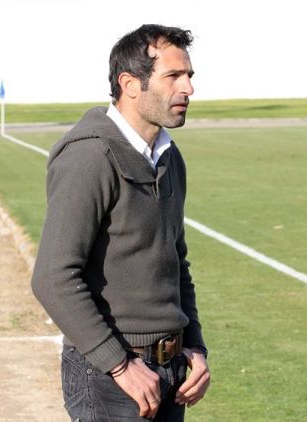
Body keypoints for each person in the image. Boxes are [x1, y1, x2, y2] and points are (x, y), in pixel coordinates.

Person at [31, 24, 210, 421]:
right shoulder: (90, 157)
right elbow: (53, 277)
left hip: (172, 371)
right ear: (130, 84)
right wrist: (119, 365)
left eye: (189, 75)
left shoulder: (168, 157)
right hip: (110, 376)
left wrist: (195, 346)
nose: (188, 88)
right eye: (173, 76)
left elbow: (175, 262)